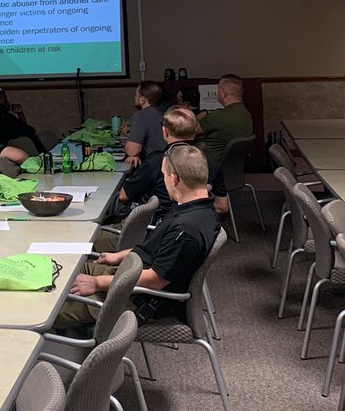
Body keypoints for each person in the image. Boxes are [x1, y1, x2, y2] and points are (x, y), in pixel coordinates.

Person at [54, 143, 220, 331]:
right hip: (130, 276)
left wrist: (97, 283)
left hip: (137, 297)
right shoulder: (196, 209)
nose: (164, 181)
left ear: (174, 179)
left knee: (47, 307)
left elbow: (155, 279)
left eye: (164, 175)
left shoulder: (187, 230)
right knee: (60, 269)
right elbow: (157, 249)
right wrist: (120, 255)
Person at [119, 105, 228, 217]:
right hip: (198, 226)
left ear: (164, 131)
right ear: (195, 130)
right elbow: (222, 206)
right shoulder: (211, 161)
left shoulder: (156, 161)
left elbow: (123, 196)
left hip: (155, 228)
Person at [196, 74, 253, 160]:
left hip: (208, 164)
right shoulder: (246, 114)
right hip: (231, 165)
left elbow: (189, 130)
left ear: (223, 93)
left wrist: (200, 115)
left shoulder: (219, 115)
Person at [123, 81, 164, 168]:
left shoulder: (141, 115)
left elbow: (132, 150)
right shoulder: (164, 112)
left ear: (143, 100)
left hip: (155, 167)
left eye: (136, 95)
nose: (135, 97)